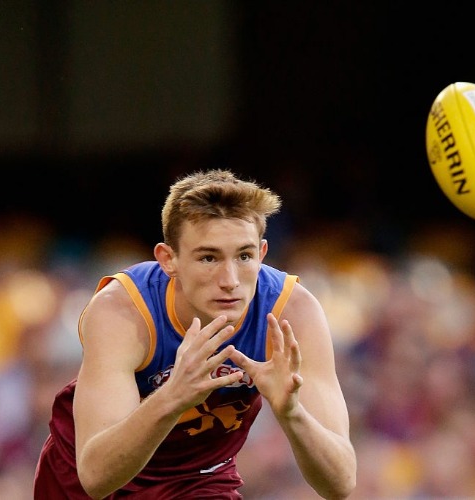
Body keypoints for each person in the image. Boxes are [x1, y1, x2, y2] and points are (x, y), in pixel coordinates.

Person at [33, 169, 356, 499]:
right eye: (208, 257)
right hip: (81, 479)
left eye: (244, 256)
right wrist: (174, 396)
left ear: (261, 254)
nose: (229, 279)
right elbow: (96, 476)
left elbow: (340, 483)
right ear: (168, 259)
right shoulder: (123, 311)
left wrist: (291, 414)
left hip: (197, 480)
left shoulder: (291, 313)